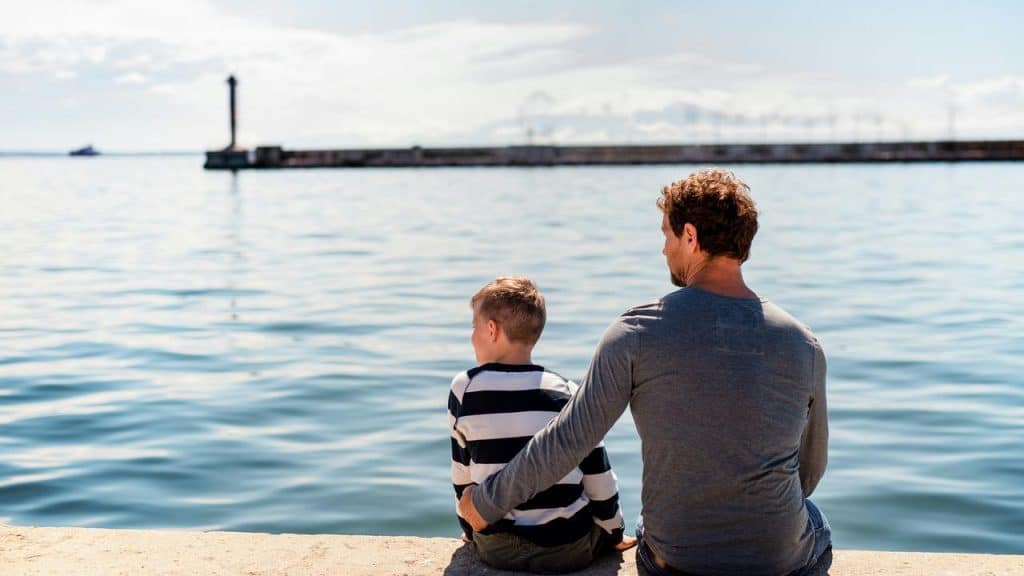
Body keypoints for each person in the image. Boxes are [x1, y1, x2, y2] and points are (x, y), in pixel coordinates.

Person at [459, 169, 832, 576]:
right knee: (812, 516)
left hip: (675, 564)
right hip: (778, 563)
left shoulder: (636, 332)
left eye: (666, 234)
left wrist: (484, 503)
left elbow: (569, 439)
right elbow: (809, 471)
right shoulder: (803, 343)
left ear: (690, 236)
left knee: (651, 523)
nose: (664, 249)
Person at [448, 276, 637, 573]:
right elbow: (598, 474)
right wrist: (613, 532)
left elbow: (462, 476)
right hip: (568, 548)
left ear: (491, 329)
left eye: (474, 327)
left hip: (498, 549)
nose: (472, 336)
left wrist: (471, 528)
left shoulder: (465, 389)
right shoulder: (565, 392)